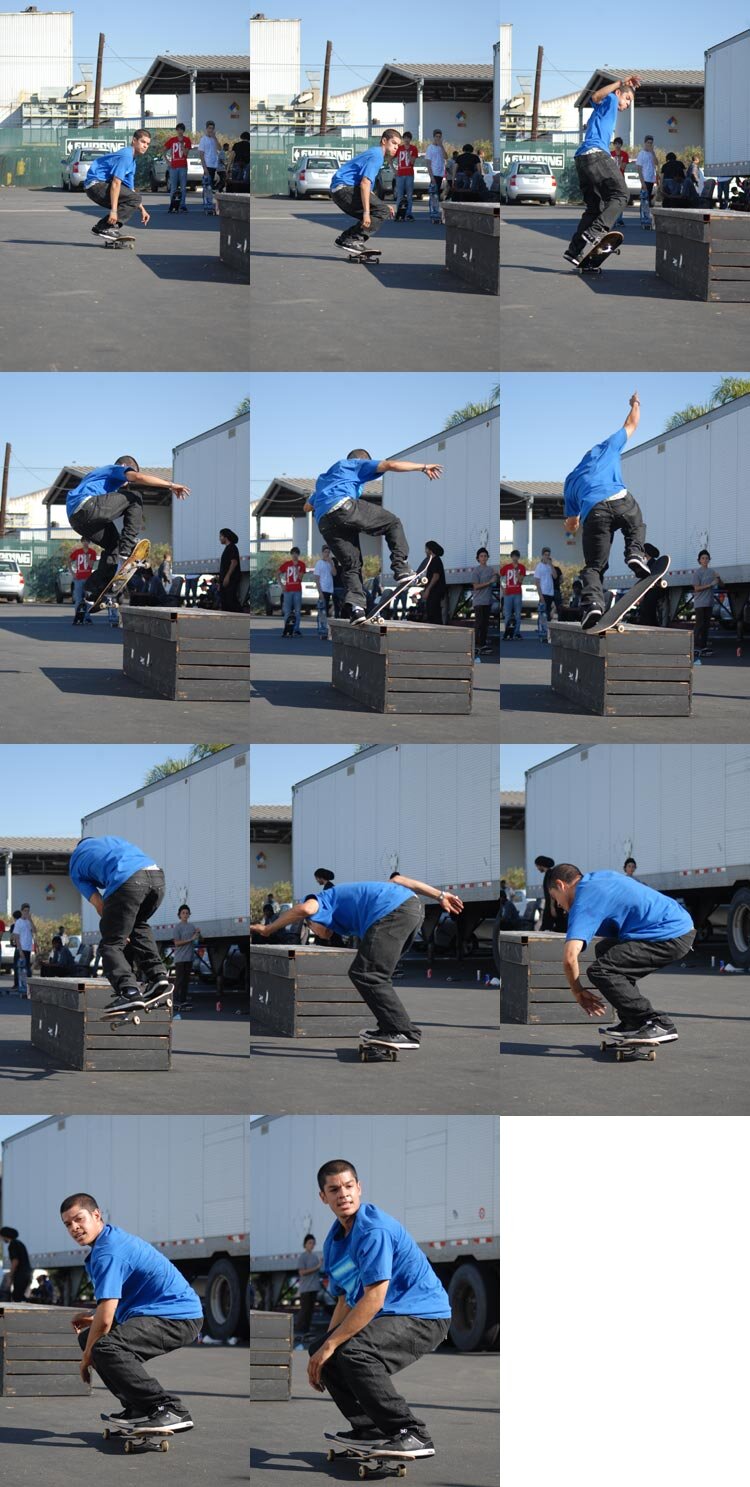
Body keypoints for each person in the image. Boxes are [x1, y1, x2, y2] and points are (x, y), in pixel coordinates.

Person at [307, 1159, 451, 1460]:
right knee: (322, 1349)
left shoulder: (373, 1229)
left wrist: (333, 1344)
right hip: (392, 1313)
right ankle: (370, 1428)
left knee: (353, 1351)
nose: (343, 1194)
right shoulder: (335, 1242)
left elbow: (373, 1297)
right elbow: (347, 1298)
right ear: (323, 1197)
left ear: (359, 1188)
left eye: (348, 1186)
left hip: (424, 1315)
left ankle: (411, 1433)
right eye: (334, 1189)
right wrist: (324, 1348)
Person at [250, 875, 463, 1053]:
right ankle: (389, 1028)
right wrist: (440, 896)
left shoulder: (321, 900)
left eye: (316, 929)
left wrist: (268, 929)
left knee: (366, 973)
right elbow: (399, 879)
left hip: (393, 912)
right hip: (412, 910)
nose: (323, 933)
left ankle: (404, 1032)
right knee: (376, 974)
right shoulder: (346, 906)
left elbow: (304, 909)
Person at [62, 1192, 202, 1434]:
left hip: (178, 1317)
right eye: (68, 1224)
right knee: (90, 1338)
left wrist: (86, 1358)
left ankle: (167, 1409)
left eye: (79, 1219)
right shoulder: (105, 1244)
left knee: (104, 1347)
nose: (74, 1228)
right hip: (156, 1312)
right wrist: (93, 1321)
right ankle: (138, 1407)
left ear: (96, 1215)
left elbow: (106, 1319)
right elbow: (112, 1306)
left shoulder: (109, 1251)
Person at [548, 863, 695, 1044]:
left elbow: (569, 958)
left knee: (602, 971)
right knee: (604, 950)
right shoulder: (598, 878)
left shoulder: (584, 898)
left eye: (555, 897)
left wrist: (578, 991)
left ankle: (655, 1022)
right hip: (674, 925)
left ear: (561, 885)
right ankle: (632, 1021)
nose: (558, 904)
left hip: (669, 934)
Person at [304, 451, 442, 624]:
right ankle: (401, 568)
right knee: (392, 523)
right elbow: (390, 465)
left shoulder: (325, 479)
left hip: (324, 523)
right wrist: (423, 467)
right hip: (343, 507)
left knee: (351, 565)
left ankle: (357, 609)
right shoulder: (355, 464)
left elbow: (307, 507)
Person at [563, 391, 650, 629]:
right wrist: (635, 403)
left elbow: (571, 523)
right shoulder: (608, 447)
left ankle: (593, 605)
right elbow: (632, 422)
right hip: (621, 501)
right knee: (636, 520)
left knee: (594, 566)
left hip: (594, 515)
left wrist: (571, 526)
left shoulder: (570, 481)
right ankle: (635, 552)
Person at [68, 836, 172, 1015]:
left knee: (111, 943)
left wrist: (118, 929)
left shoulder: (76, 863)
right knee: (139, 924)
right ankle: (158, 976)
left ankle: (129, 991)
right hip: (157, 878)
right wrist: (125, 925)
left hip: (128, 880)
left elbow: (99, 904)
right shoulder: (110, 841)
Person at [66, 459, 190, 606]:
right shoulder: (116, 469)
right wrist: (171, 485)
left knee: (113, 547)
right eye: (130, 474)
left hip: (77, 520)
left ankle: (93, 590)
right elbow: (138, 478)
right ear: (126, 467)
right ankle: (126, 549)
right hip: (87, 506)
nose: (128, 482)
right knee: (135, 497)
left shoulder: (97, 478)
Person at [564, 76, 639, 266]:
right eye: (627, 99)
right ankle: (596, 231)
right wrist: (620, 83)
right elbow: (597, 95)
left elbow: (597, 102)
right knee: (621, 195)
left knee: (594, 207)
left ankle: (574, 250)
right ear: (618, 94)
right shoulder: (612, 99)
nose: (627, 105)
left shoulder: (603, 110)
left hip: (582, 160)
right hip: (596, 154)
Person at [329, 130, 402, 254]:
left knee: (381, 210)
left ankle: (345, 239)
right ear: (384, 141)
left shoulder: (375, 153)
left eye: (398, 145)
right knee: (380, 212)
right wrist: (367, 212)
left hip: (340, 190)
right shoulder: (377, 155)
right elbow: (364, 184)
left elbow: (367, 188)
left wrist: (381, 205)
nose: (396, 147)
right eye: (393, 143)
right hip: (344, 189)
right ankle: (353, 240)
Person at [84, 129, 153, 242]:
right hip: (96, 185)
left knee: (134, 199)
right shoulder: (126, 155)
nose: (145, 146)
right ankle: (108, 227)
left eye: (147, 144)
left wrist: (142, 209)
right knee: (134, 199)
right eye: (143, 142)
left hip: (94, 187)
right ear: (134, 140)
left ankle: (101, 227)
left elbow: (130, 191)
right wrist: (114, 211)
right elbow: (116, 183)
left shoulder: (132, 162)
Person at [689, 549, 723, 654]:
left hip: (709, 603)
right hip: (700, 603)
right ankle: (692, 647)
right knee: (699, 624)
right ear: (699, 560)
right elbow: (696, 588)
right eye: (702, 558)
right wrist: (710, 585)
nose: (705, 560)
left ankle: (703, 647)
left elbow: (721, 585)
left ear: (709, 560)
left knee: (706, 625)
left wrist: (719, 578)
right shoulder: (697, 573)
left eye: (707, 558)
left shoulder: (712, 572)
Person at [296, 1234, 322, 1345]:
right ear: (305, 1244)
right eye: (310, 1243)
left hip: (314, 1288)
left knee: (310, 1311)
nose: (312, 1245)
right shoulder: (303, 1257)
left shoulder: (315, 1257)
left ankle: (306, 1331)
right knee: (305, 1310)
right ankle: (299, 1331)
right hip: (305, 1289)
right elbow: (302, 1272)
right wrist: (317, 1267)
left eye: (313, 1243)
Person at [471, 547, 498, 652]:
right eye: (481, 556)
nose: (483, 558)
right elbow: (476, 586)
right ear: (478, 558)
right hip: (479, 601)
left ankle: (482, 644)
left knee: (485, 624)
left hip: (487, 601)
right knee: (479, 623)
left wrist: (496, 575)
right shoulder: (476, 571)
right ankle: (475, 644)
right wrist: (489, 582)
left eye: (485, 556)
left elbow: (495, 579)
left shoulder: (491, 570)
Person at [172, 904, 198, 1008]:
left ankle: (183, 1000)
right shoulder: (177, 927)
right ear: (179, 915)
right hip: (180, 958)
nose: (185, 915)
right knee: (179, 979)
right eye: (183, 913)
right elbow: (177, 943)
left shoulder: (192, 926)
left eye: (187, 913)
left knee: (186, 980)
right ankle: (173, 999)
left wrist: (198, 933)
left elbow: (197, 940)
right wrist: (190, 939)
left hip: (189, 957)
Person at [534, 855, 568, 933]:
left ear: (541, 865)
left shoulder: (549, 874)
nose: (537, 868)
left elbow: (552, 891)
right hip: (552, 905)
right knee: (559, 926)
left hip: (552, 905)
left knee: (549, 927)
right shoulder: (551, 873)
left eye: (537, 866)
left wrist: (552, 907)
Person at [163, 123, 192, 212]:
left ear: (183, 131)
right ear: (177, 130)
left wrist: (182, 145)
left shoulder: (187, 140)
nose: (180, 131)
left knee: (183, 187)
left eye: (181, 130)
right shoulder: (172, 140)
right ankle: (173, 205)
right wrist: (167, 161)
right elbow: (163, 150)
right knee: (173, 187)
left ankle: (182, 205)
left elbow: (186, 153)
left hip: (183, 166)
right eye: (178, 130)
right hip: (173, 166)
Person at [278, 546, 306, 636]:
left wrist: (296, 569)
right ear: (291, 554)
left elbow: (300, 578)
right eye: (293, 554)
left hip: (297, 590)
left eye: (296, 554)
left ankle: (296, 629)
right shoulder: (286, 564)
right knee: (287, 611)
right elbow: (277, 573)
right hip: (288, 590)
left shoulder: (301, 564)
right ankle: (287, 628)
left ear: (298, 555)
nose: (294, 555)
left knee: (297, 611)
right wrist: (281, 585)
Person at [0, 1225, 32, 1301]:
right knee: (19, 1296)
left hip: (21, 1274)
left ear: (5, 1235)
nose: (1, 1239)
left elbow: (15, 1261)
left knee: (16, 1297)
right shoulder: (19, 1243)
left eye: (1, 1237)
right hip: (26, 1273)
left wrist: (10, 1275)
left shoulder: (12, 1245)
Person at [69, 540, 97, 625]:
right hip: (78, 578)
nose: (85, 543)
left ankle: (87, 617)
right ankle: (78, 616)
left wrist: (87, 556)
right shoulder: (77, 552)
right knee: (78, 599)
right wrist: (72, 572)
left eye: (87, 541)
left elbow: (91, 565)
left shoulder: (92, 552)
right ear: (82, 542)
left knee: (88, 599)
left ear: (89, 543)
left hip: (88, 578)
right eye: (84, 541)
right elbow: (69, 561)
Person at [417, 541, 446, 625]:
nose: (425, 551)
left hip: (435, 592)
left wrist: (428, 590)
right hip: (434, 591)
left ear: (430, 550)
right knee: (431, 613)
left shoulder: (435, 560)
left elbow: (436, 576)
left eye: (426, 549)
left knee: (434, 614)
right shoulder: (433, 561)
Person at [500, 549, 526, 640]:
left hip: (517, 593)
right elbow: (498, 576)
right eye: (513, 556)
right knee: (507, 614)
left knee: (518, 614)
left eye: (516, 557)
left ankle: (516, 632)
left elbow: (521, 580)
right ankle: (507, 632)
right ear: (511, 557)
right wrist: (502, 588)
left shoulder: (521, 567)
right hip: (508, 593)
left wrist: (516, 571)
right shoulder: (506, 567)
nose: (515, 558)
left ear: (518, 557)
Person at [393, 131, 418, 221]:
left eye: (408, 138)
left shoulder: (413, 148)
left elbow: (412, 162)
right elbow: (389, 158)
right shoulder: (399, 148)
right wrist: (393, 169)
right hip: (400, 174)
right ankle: (399, 213)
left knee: (409, 195)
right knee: (399, 195)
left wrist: (408, 153)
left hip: (409, 174)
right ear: (403, 139)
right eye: (405, 138)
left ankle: (408, 213)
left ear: (410, 139)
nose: (406, 140)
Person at [424, 128, 447, 223]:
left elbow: (446, 157)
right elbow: (428, 163)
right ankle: (434, 214)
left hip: (441, 174)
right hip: (434, 174)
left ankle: (436, 213)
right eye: (436, 136)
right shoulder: (430, 148)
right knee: (434, 195)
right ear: (433, 137)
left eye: (439, 137)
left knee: (437, 195)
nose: (438, 138)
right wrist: (431, 176)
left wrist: (442, 146)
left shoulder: (441, 147)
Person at [12, 902, 35, 997]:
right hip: (21, 949)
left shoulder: (28, 921)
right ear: (22, 911)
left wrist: (31, 920)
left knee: (28, 971)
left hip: (28, 948)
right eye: (25, 911)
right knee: (22, 970)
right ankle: (22, 989)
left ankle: (27, 990)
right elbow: (16, 937)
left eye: (28, 911)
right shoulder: (18, 922)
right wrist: (20, 950)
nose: (26, 912)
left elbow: (34, 931)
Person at [313, 545, 335, 639]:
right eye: (325, 552)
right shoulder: (319, 563)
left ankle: (327, 630)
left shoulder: (330, 563)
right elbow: (317, 579)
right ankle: (322, 631)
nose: (327, 554)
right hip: (323, 590)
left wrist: (331, 563)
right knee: (322, 611)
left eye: (328, 552)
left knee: (329, 611)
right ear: (322, 553)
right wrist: (320, 592)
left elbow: (334, 573)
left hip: (330, 589)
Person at [533, 551, 556, 640]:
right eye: (545, 555)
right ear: (542, 555)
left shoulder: (549, 566)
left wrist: (551, 565)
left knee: (549, 615)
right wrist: (540, 595)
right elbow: (537, 582)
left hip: (550, 593)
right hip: (543, 593)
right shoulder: (539, 566)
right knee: (543, 614)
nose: (547, 556)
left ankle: (548, 634)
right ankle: (542, 634)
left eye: (548, 555)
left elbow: (555, 576)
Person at [218, 527, 241, 611]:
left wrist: (227, 576)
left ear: (225, 537)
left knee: (231, 601)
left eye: (221, 536)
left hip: (231, 579)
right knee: (225, 601)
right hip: (225, 580)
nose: (219, 538)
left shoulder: (232, 547)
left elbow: (234, 562)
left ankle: (239, 618)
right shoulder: (227, 548)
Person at [635, 134, 659, 212]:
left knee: (647, 199)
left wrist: (653, 152)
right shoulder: (641, 154)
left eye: (651, 143)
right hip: (645, 180)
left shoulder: (652, 153)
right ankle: (643, 217)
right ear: (645, 143)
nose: (649, 144)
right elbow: (639, 169)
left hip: (651, 179)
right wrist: (643, 183)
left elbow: (656, 163)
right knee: (644, 199)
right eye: (648, 142)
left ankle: (646, 217)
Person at [197, 121, 221, 199]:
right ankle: (206, 203)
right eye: (209, 128)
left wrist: (215, 138)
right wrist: (205, 168)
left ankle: (209, 202)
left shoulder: (214, 139)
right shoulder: (203, 139)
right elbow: (201, 154)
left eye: (212, 128)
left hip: (214, 166)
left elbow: (220, 148)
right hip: (207, 165)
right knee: (207, 185)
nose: (211, 130)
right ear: (206, 129)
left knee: (211, 186)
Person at [610, 136, 630, 228]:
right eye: (616, 144)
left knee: (621, 199)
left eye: (619, 144)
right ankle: (612, 219)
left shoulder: (624, 154)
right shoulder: (610, 154)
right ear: (614, 145)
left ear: (621, 145)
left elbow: (622, 167)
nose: (617, 146)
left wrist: (619, 159)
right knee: (612, 199)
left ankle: (619, 219)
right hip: (612, 179)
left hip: (621, 179)